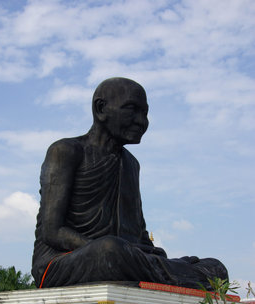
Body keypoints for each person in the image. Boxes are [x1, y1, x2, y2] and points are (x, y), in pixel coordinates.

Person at [32, 77, 228, 289]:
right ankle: (171, 276)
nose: (141, 121)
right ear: (101, 109)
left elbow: (139, 233)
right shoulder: (66, 151)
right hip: (62, 262)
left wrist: (147, 252)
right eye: (132, 110)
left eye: (145, 113)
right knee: (110, 250)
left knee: (216, 268)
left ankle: (166, 275)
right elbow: (52, 231)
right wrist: (107, 249)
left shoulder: (131, 164)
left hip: (123, 258)